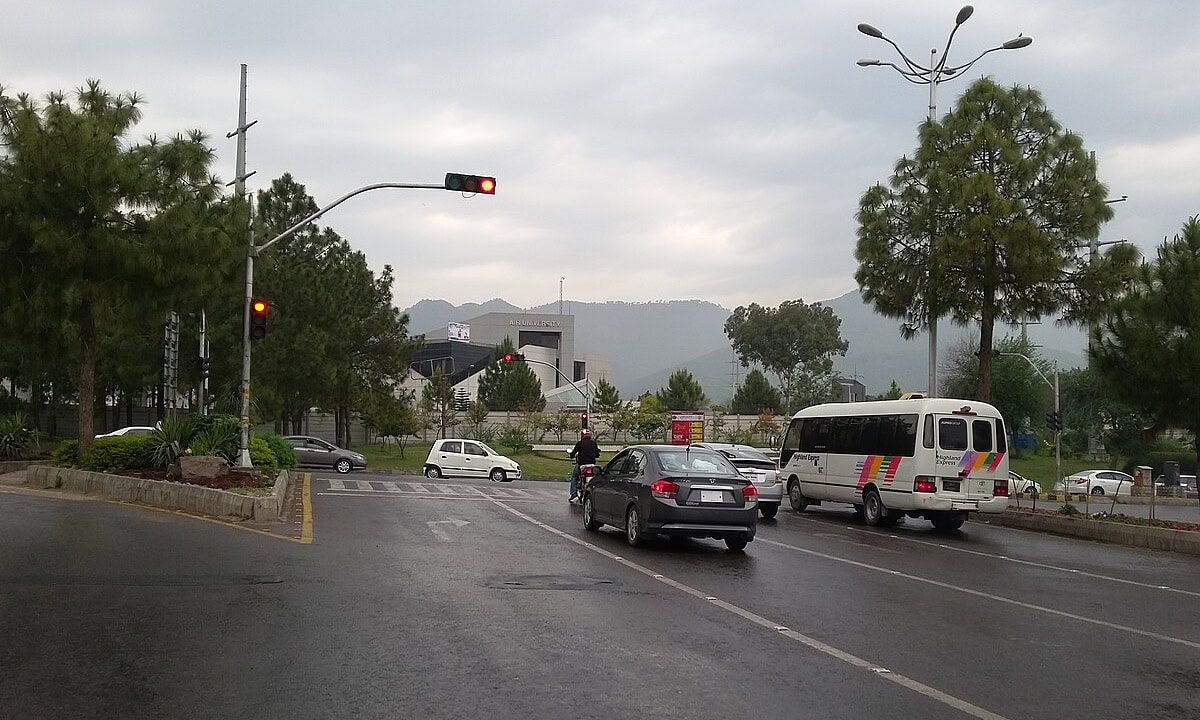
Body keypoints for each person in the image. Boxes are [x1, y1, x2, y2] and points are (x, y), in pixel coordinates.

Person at [568, 428, 600, 502]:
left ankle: (573, 493)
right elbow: (597, 454)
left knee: (574, 477)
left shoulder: (580, 443)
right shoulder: (593, 443)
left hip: (581, 465)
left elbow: (573, 453)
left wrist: (571, 456)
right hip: (592, 465)